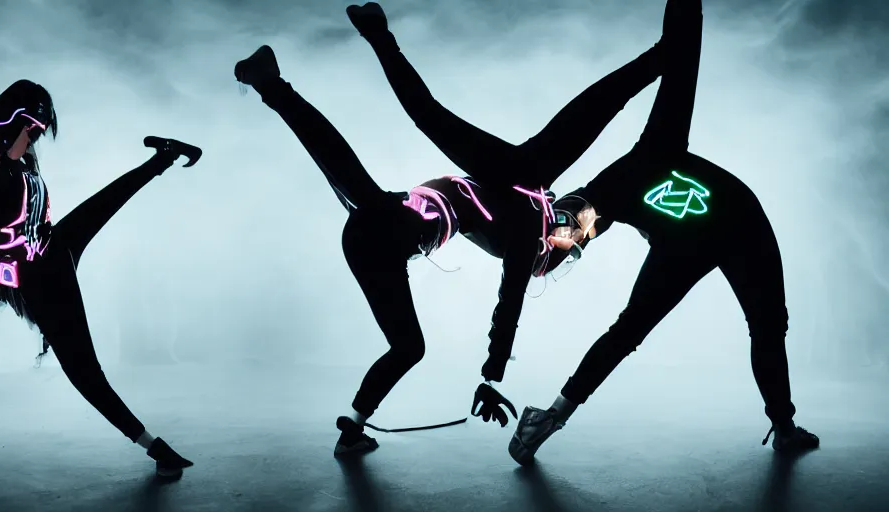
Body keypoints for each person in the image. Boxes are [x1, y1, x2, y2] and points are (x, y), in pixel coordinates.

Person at [233, 24, 663, 456]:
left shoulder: (528, 225)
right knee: (406, 339)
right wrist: (492, 372)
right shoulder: (532, 211)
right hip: (384, 233)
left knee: (407, 343)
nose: (564, 224)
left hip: (388, 232)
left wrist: (493, 371)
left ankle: (296, 75)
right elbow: (538, 266)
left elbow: (512, 297)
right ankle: (287, 79)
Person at [506, 0, 820, 465]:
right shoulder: (602, 206)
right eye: (576, 239)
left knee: (768, 327)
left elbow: (683, 60)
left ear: (583, 206)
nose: (581, 235)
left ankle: (785, 427)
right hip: (687, 245)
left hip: (742, 227)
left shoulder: (656, 145)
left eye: (577, 229)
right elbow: (569, 235)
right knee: (631, 330)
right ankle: (549, 418)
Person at [0, 79, 196, 478]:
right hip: (24, 275)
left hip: (45, 254)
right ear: (11, 119)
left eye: (39, 132)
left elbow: (37, 221)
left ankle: (162, 159)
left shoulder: (19, 158)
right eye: (32, 129)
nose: (34, 139)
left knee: (95, 211)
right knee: (84, 368)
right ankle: (153, 446)